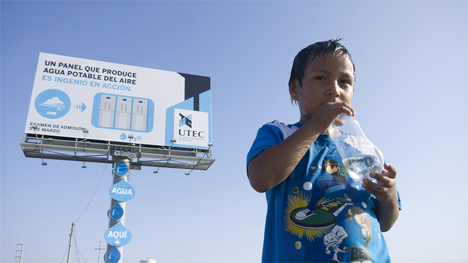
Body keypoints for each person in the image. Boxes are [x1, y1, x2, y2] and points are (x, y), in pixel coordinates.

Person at [246, 39, 401, 263]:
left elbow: (386, 223)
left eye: (345, 82)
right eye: (321, 78)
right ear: (294, 89)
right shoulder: (279, 134)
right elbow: (260, 179)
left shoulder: (364, 148)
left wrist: (389, 196)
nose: (334, 90)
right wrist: (316, 126)